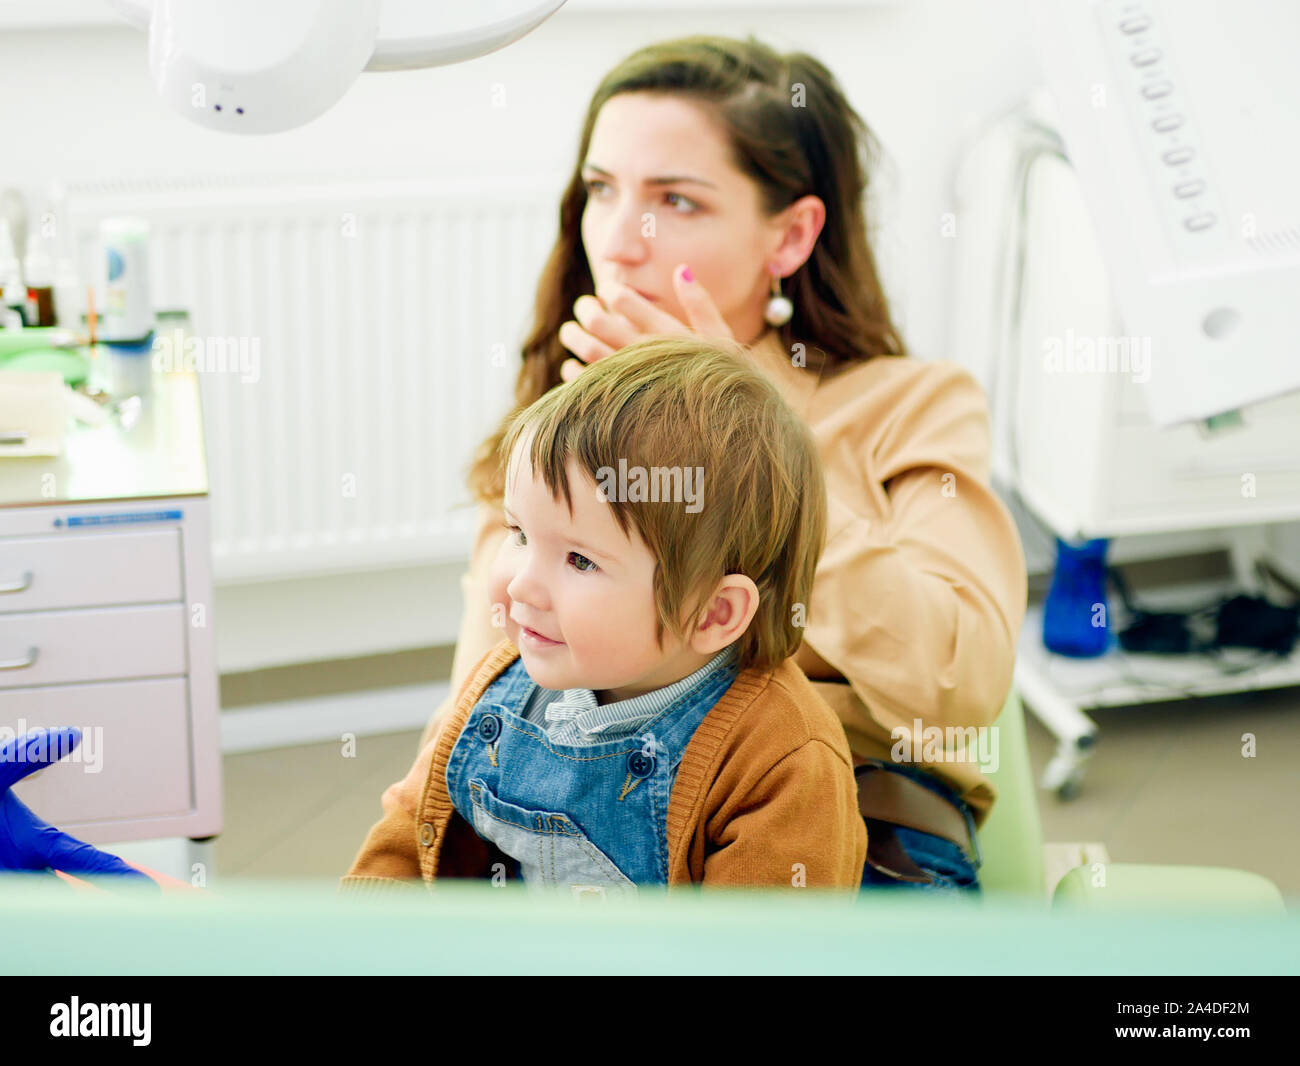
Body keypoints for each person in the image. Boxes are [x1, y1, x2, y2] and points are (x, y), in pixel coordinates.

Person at [406, 34, 1027, 892]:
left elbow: (961, 684)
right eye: (600, 190)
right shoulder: (559, 423)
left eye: (677, 202)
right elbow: (481, 699)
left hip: (844, 833)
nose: (620, 242)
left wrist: (753, 442)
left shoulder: (909, 403)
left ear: (792, 235)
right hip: (571, 828)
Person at [342, 338, 866, 894]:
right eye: (518, 534)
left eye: (580, 559)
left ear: (713, 612)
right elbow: (403, 838)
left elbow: (763, 951)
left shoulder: (782, 760)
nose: (522, 584)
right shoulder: (501, 686)